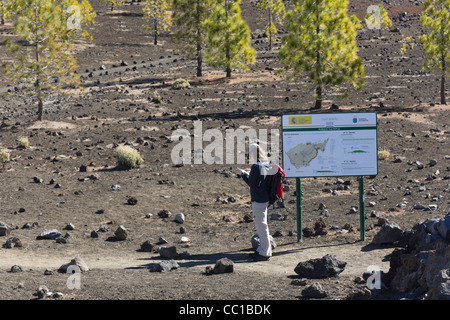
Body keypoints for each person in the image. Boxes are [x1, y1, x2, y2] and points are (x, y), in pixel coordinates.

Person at [241, 143, 272, 261]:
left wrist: (243, 175)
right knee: (262, 224)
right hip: (265, 197)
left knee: (261, 226)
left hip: (258, 199)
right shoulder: (265, 164)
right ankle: (263, 249)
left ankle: (264, 252)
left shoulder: (255, 166)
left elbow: (251, 183)